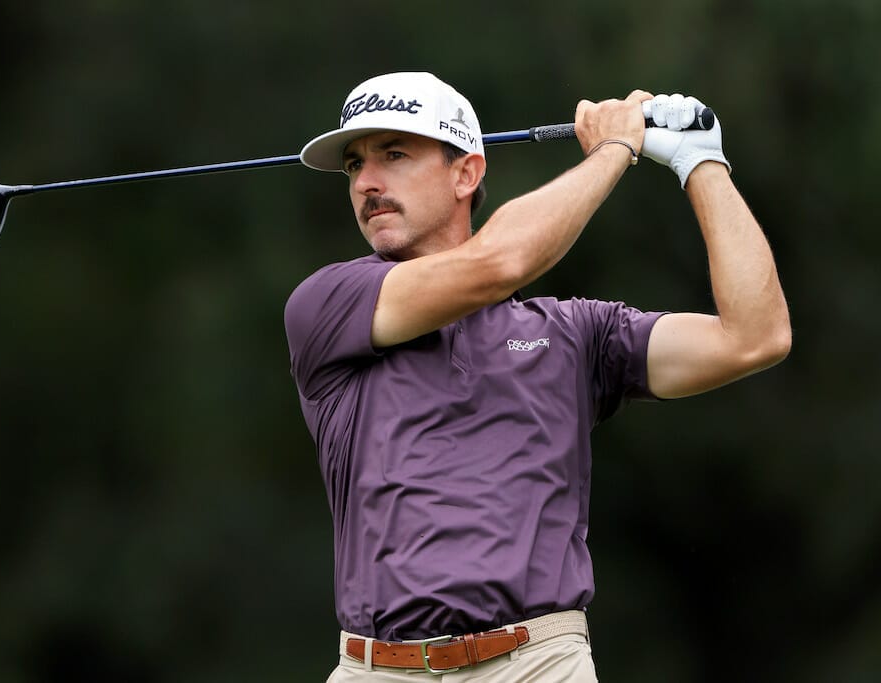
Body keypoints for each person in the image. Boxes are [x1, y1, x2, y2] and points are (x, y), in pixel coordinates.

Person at [284, 72, 790, 682]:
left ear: (466, 174)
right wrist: (614, 149)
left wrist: (701, 163)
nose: (366, 182)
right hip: (377, 669)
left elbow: (754, 336)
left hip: (538, 665)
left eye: (393, 155)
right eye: (354, 165)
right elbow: (500, 262)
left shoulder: (576, 333)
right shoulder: (328, 304)